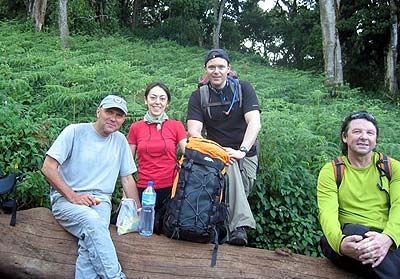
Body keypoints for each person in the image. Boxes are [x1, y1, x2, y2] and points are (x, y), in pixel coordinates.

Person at [41, 94, 141, 279]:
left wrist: (139, 212)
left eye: (118, 115)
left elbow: (127, 179)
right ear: (98, 111)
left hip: (100, 201)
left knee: (90, 247)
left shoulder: (120, 141)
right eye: (109, 112)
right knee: (92, 222)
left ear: (123, 120)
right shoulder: (74, 131)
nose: (113, 118)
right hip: (67, 200)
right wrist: (73, 196)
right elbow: (48, 167)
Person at [186, 48, 261, 246]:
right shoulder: (198, 96)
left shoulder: (244, 89)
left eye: (220, 67)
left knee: (233, 173)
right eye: (212, 67)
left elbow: (254, 123)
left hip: (246, 154)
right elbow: (194, 132)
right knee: (229, 164)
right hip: (216, 156)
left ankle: (219, 228)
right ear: (205, 70)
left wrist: (241, 151)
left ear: (229, 68)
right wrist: (217, 153)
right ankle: (239, 228)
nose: (216, 71)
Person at [317, 110, 400, 278]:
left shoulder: (392, 168)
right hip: (349, 238)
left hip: (388, 238)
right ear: (344, 137)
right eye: (357, 131)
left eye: (370, 133)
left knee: (369, 252)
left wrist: (387, 238)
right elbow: (327, 214)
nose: (364, 137)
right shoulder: (332, 170)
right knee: (356, 233)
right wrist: (339, 243)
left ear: (376, 140)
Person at [126, 81, 187, 230]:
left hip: (171, 190)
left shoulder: (176, 126)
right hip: (144, 190)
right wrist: (126, 195)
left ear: (167, 103)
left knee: (167, 230)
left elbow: (188, 152)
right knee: (139, 228)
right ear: (146, 100)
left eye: (162, 98)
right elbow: (127, 164)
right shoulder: (136, 128)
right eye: (153, 98)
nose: (157, 102)